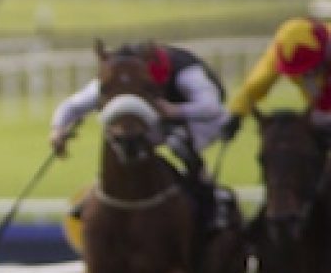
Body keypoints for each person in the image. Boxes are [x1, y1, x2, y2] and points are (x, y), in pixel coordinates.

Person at [49, 41, 230, 229]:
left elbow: (212, 107)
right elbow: (73, 106)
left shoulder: (186, 70)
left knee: (178, 143)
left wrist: (174, 110)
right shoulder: (122, 72)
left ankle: (209, 196)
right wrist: (57, 130)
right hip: (149, 120)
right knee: (121, 139)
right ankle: (102, 189)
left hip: (198, 120)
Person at [224, 16, 331, 134]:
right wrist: (236, 114)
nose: (305, 74)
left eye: (310, 67)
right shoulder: (283, 53)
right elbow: (255, 85)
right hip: (320, 106)